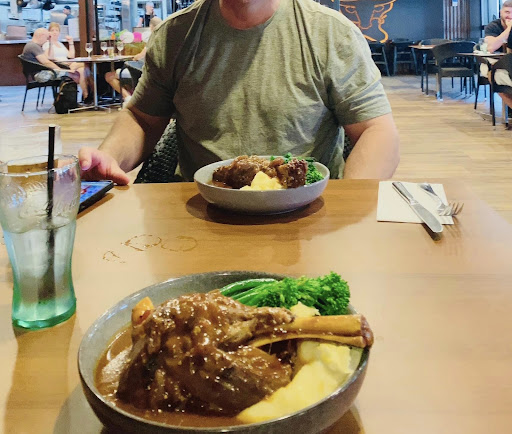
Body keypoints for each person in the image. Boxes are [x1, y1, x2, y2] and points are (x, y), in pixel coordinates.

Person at [79, 0, 400, 186]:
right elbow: (142, 119)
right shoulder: (175, 35)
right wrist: (109, 157)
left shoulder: (330, 33)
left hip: (305, 214)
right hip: (201, 212)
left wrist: (348, 202)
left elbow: (377, 131)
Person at [105, 17, 162, 105]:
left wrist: (134, 57)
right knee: (125, 78)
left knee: (109, 76)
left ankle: (128, 98)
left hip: (141, 71)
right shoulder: (163, 40)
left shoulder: (152, 39)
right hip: (156, 73)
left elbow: (139, 57)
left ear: (151, 27)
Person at [44, 22, 92, 103]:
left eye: (57, 30)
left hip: (68, 64)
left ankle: (86, 95)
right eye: (52, 30)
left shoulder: (60, 44)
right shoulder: (46, 44)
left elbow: (71, 55)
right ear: (49, 32)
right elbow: (50, 58)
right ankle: (89, 93)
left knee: (82, 70)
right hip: (60, 66)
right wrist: (50, 43)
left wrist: (71, 42)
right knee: (86, 64)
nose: (55, 32)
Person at [484, 0, 512, 109]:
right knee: (491, 74)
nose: (510, 16)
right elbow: (491, 47)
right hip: (496, 62)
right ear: (501, 12)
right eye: (507, 12)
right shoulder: (493, 26)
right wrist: (509, 29)